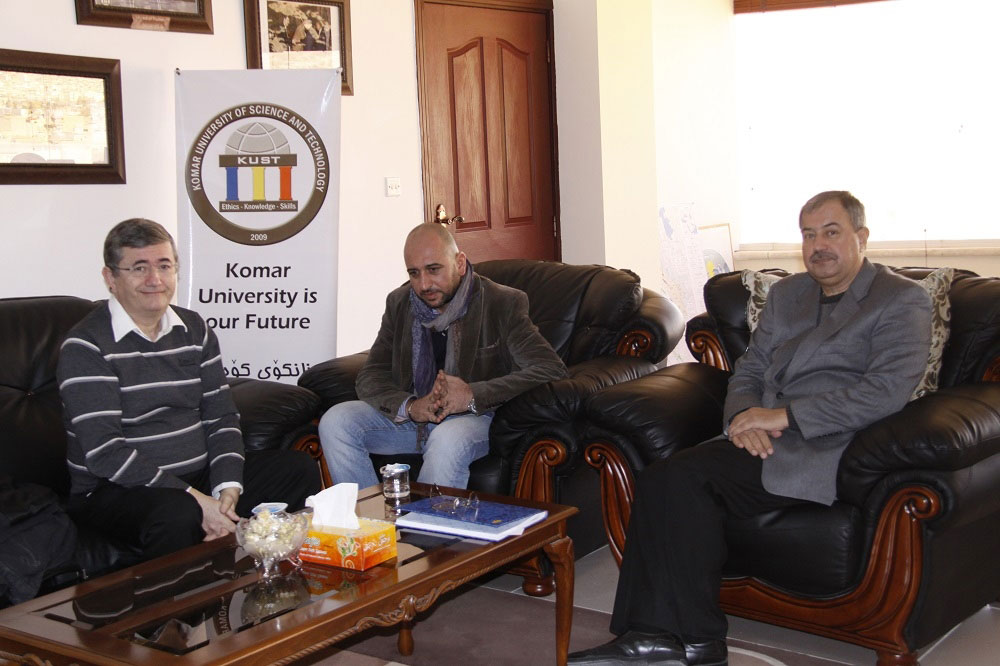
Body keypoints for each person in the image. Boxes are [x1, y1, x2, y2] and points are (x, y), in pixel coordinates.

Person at [567, 191, 933, 666]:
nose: (818, 246)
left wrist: (781, 417)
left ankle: (679, 639)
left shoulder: (900, 299)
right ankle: (675, 638)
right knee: (667, 479)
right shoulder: (788, 294)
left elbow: (884, 392)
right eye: (808, 235)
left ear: (861, 237)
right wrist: (743, 417)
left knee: (678, 479)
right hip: (762, 436)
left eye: (831, 232)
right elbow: (750, 369)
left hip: (833, 445)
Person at [58, 218, 321, 563]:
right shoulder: (86, 345)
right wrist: (198, 501)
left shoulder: (194, 329)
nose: (155, 279)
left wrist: (227, 488)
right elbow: (106, 453)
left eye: (164, 265)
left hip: (197, 477)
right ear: (111, 278)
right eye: (139, 268)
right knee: (179, 512)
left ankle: (270, 577)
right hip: (115, 489)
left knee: (296, 469)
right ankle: (181, 599)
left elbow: (221, 416)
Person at [318, 222, 567, 490]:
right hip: (415, 420)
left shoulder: (501, 303)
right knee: (336, 421)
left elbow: (550, 368)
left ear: (459, 263)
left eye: (433, 269)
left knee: (447, 438)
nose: (424, 284)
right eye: (414, 273)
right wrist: (411, 406)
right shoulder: (399, 303)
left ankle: (426, 519)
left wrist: (471, 394)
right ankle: (368, 515)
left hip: (476, 418)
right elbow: (371, 374)